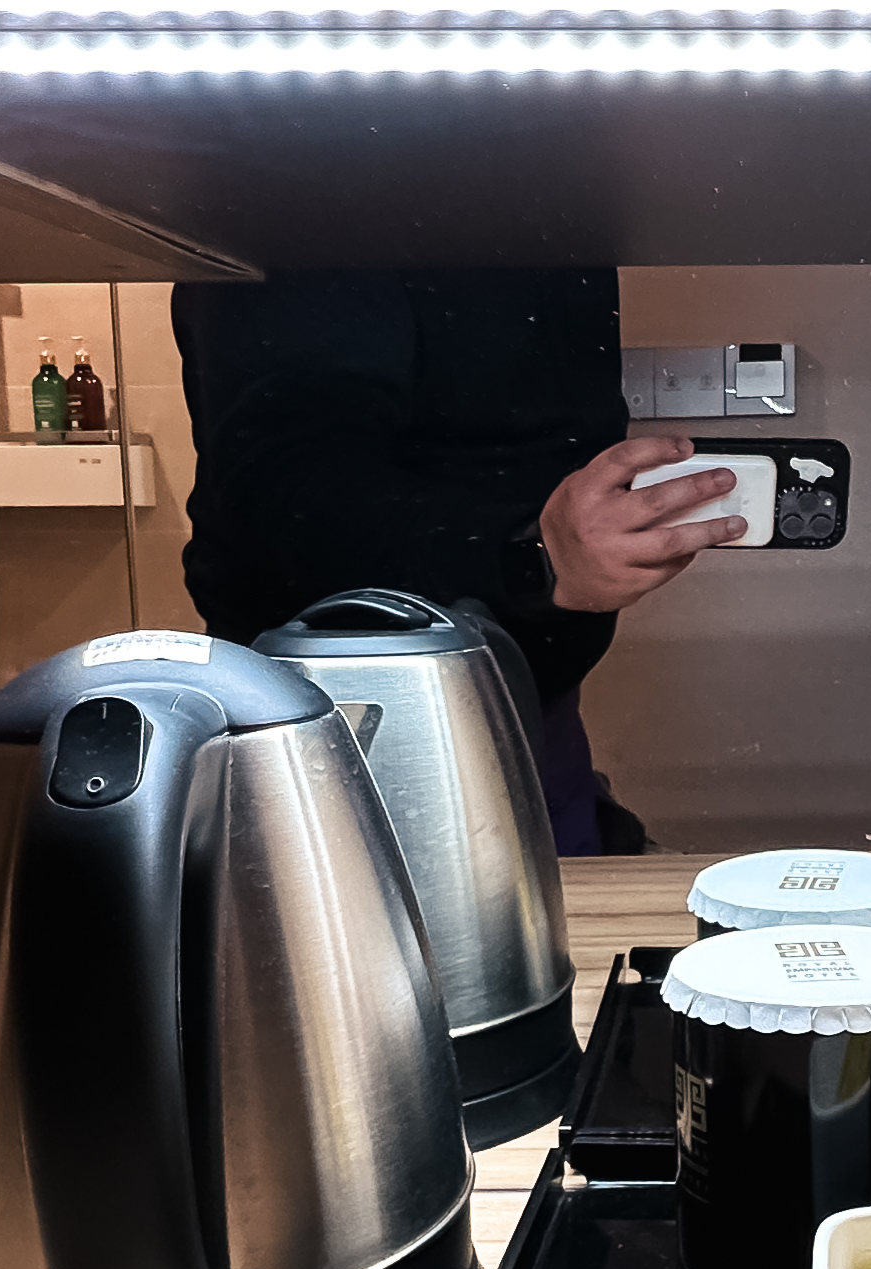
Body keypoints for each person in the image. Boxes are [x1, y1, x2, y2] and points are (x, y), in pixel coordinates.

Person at [174, 271, 742, 854]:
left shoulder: (530, 228)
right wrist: (530, 557)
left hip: (525, 714)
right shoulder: (312, 222)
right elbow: (281, 485)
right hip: (336, 737)